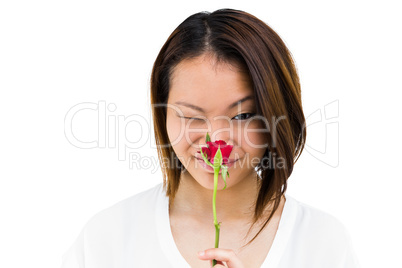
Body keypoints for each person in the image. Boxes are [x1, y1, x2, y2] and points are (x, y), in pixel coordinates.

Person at [61, 8, 360, 268]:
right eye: (191, 116)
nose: (216, 141)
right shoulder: (106, 239)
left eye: (243, 116)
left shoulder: (323, 243)